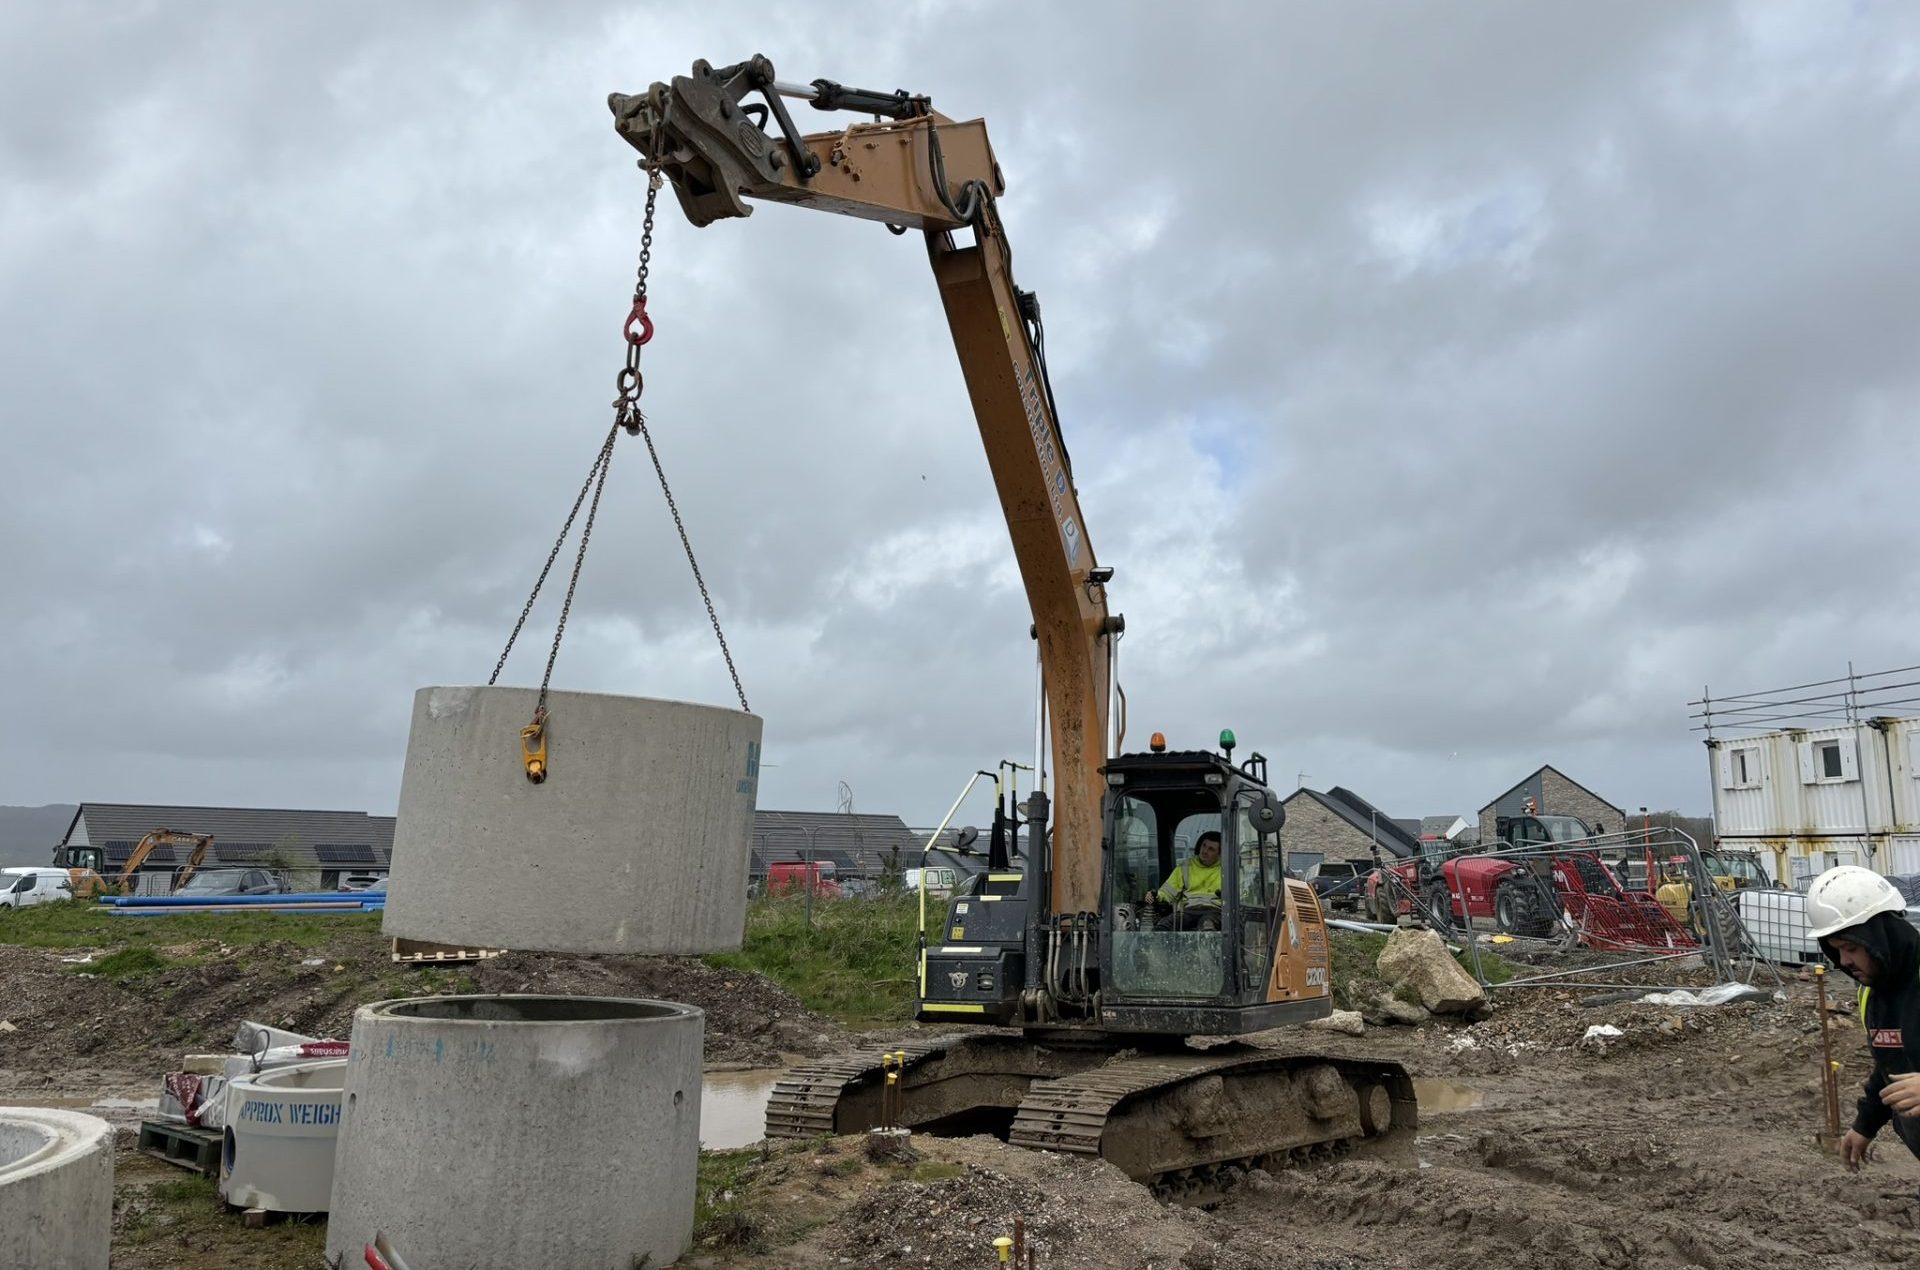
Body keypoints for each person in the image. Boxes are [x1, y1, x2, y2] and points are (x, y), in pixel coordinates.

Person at [1806, 865, 1920, 1169]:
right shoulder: (1871, 994)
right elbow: (1890, 1066)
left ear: (1880, 937)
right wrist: (1864, 1125)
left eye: (1851, 948)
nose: (1844, 961)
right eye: (1836, 950)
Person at [1142, 832, 1223, 930]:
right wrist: (1155, 896)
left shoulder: (1226, 871)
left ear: (1220, 854)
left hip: (1214, 911)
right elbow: (1168, 892)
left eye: (1211, 849)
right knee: (1165, 925)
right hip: (1188, 911)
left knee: (1207, 925)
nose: (1205, 851)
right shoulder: (1185, 867)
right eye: (1204, 845)